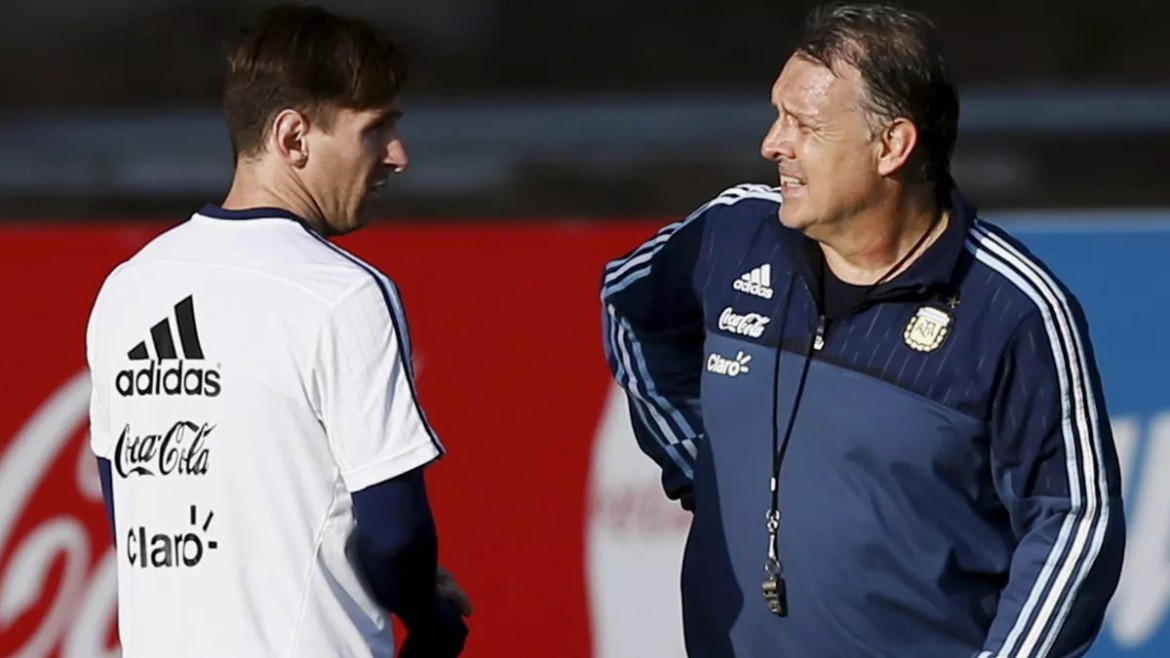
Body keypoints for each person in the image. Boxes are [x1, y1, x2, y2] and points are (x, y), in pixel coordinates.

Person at [600, 3, 1125, 656]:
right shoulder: (731, 234)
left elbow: (1074, 520)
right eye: (776, 114)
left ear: (892, 145)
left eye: (804, 124)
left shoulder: (1012, 308)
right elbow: (627, 304)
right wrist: (697, 463)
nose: (772, 144)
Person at [85, 5, 470, 656]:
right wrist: (432, 620)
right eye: (377, 129)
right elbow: (394, 532)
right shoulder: (341, 294)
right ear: (293, 138)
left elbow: (129, 508)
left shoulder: (127, 288)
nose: (398, 156)